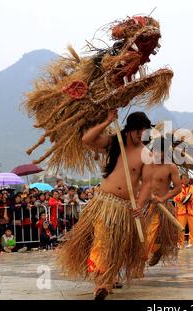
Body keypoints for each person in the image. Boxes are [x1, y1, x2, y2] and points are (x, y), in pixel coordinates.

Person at [58, 110, 154, 300]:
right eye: (139, 131)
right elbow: (87, 139)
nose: (142, 135)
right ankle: (100, 283)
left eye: (144, 131)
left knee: (117, 247)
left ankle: (108, 280)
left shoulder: (146, 154)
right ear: (130, 129)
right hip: (105, 203)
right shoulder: (114, 142)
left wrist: (140, 204)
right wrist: (108, 120)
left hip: (126, 207)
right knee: (102, 242)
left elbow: (148, 184)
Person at [139, 136, 182, 272]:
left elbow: (178, 188)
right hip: (144, 205)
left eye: (161, 151)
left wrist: (163, 198)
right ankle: (157, 250)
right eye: (155, 151)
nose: (157, 154)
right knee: (139, 234)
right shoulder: (145, 165)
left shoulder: (171, 167)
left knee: (149, 234)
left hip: (160, 207)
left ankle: (139, 263)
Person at [173, 174, 193, 248]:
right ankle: (180, 243)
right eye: (184, 178)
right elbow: (175, 198)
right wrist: (182, 198)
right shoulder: (178, 188)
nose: (186, 180)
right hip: (181, 212)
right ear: (181, 180)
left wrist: (190, 199)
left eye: (187, 178)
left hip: (191, 211)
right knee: (180, 228)